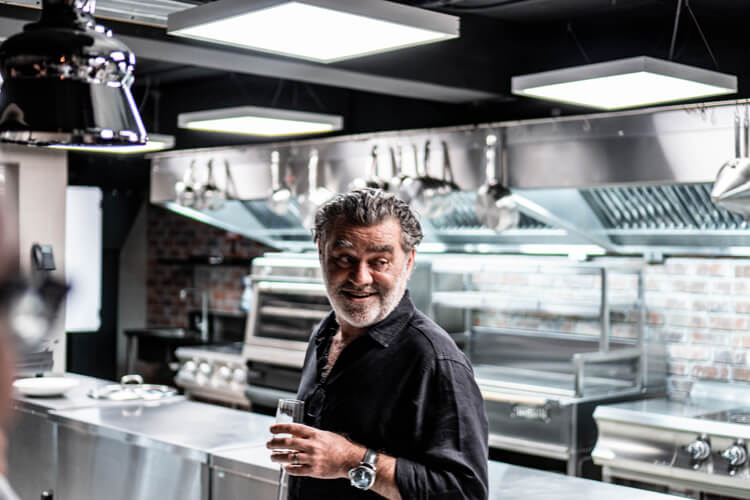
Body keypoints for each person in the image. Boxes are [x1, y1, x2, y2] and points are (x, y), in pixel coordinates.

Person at [267, 189, 489, 500]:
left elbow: (465, 492)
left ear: (408, 262)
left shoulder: (435, 361)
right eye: (345, 259)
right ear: (321, 252)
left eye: (380, 262)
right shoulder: (325, 332)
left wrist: (350, 460)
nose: (360, 278)